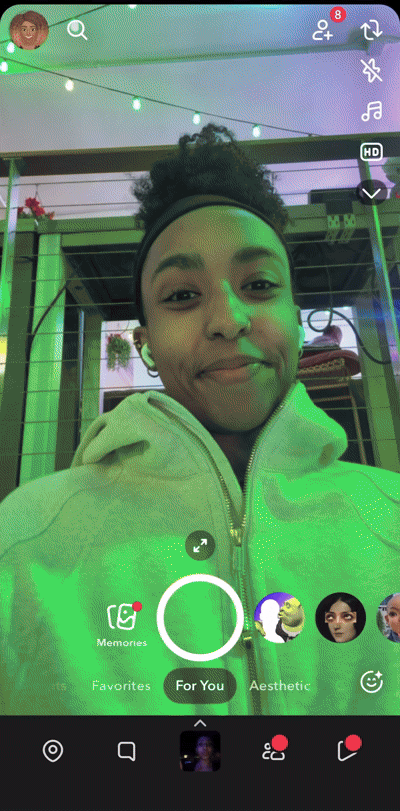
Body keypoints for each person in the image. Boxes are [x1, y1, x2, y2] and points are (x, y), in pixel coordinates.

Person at [0, 123, 399, 717]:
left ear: (296, 318)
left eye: (258, 285)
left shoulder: (391, 520)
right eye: (182, 296)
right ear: (145, 344)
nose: (228, 319)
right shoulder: (24, 540)